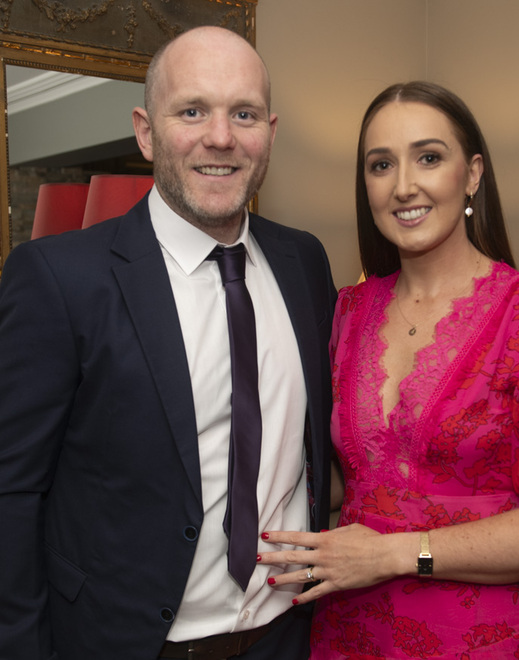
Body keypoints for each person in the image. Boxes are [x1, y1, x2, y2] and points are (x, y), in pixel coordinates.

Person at [0, 26, 337, 660]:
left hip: (286, 638)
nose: (221, 137)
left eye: (244, 114)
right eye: (192, 111)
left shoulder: (305, 263)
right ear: (146, 131)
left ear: (270, 132)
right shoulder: (59, 278)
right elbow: (12, 491)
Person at [258, 81, 519, 658]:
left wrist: (393, 554)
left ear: (472, 175)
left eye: (429, 158)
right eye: (381, 165)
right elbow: (351, 476)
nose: (403, 186)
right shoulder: (348, 310)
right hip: (350, 634)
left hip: (485, 639)